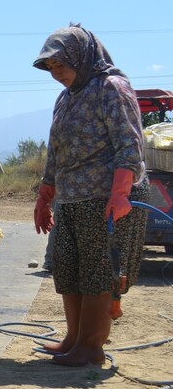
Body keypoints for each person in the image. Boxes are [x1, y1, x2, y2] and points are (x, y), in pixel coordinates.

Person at [32, 23, 148, 367]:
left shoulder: (111, 88)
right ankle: (73, 338)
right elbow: (56, 150)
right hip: (70, 198)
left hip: (105, 198)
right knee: (67, 268)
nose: (57, 74)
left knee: (98, 271)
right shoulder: (66, 98)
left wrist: (120, 193)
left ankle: (92, 345)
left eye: (61, 66)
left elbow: (129, 145)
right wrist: (45, 195)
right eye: (51, 69)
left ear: (81, 58)